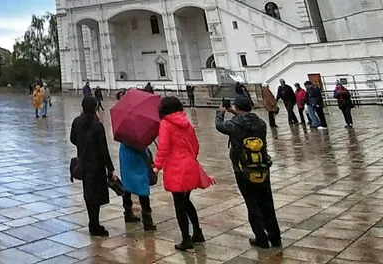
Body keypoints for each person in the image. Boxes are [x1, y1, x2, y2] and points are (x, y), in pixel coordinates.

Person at [216, 95, 281, 249]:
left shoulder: (234, 125)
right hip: (262, 167)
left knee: (252, 204)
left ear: (237, 107)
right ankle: (275, 237)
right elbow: (247, 123)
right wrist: (237, 113)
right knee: (267, 203)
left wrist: (220, 112)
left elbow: (219, 126)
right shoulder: (261, 123)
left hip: (243, 169)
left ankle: (261, 238)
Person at [154, 95, 212, 251]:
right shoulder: (187, 123)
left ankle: (186, 239)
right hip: (190, 165)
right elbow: (195, 145)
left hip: (176, 169)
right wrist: (190, 158)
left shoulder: (165, 124)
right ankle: (197, 232)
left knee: (179, 204)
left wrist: (157, 166)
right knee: (186, 201)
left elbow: (163, 148)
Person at [70, 96, 116, 236]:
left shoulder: (77, 121)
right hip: (96, 166)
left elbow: (73, 139)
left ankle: (93, 222)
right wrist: (110, 168)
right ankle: (94, 224)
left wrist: (82, 145)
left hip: (84, 165)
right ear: (95, 107)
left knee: (89, 195)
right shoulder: (97, 126)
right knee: (96, 196)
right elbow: (103, 149)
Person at [119, 138, 154, 231]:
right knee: (143, 190)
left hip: (126, 160)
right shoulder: (138, 137)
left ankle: (128, 212)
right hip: (138, 163)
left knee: (126, 186)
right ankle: (147, 219)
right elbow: (144, 153)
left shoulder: (123, 135)